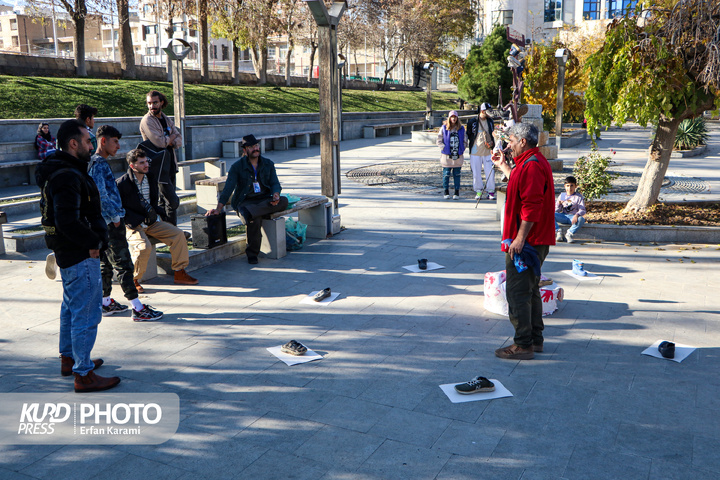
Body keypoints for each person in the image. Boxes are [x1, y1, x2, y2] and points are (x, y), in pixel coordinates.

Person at [35, 119, 121, 393]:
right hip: (79, 253)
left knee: (71, 307)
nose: (91, 145)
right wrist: (94, 242)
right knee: (86, 312)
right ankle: (83, 374)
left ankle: (70, 358)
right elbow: (67, 221)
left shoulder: (65, 170)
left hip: (71, 252)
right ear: (73, 144)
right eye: (87, 141)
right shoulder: (67, 175)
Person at [491, 123, 555, 360]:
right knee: (530, 289)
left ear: (522, 142)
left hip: (528, 242)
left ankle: (523, 344)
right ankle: (535, 340)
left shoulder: (532, 165)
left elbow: (531, 206)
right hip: (531, 240)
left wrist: (519, 239)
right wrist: (504, 166)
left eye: (511, 141)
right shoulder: (530, 163)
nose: (508, 145)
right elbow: (519, 183)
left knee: (517, 292)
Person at [89, 125, 164, 321]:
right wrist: (115, 219)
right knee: (123, 264)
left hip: (103, 222)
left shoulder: (98, 162)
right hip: (109, 222)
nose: (118, 146)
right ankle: (137, 308)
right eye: (115, 141)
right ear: (103, 141)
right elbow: (101, 195)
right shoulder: (98, 163)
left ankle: (105, 302)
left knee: (105, 264)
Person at [116, 149, 198, 287]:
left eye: (146, 161)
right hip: (132, 224)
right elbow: (119, 208)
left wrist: (161, 213)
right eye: (141, 163)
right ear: (132, 166)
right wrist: (133, 222)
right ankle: (133, 280)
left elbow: (154, 202)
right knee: (143, 247)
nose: (146, 165)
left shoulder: (150, 178)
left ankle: (179, 272)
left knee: (178, 235)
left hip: (151, 222)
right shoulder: (121, 183)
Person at [206, 134, 289, 265]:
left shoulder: (268, 164)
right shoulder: (237, 167)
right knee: (254, 220)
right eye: (251, 147)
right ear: (244, 150)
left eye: (256, 145)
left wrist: (276, 195)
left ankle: (249, 212)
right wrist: (218, 209)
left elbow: (275, 183)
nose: (255, 149)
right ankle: (252, 253)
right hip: (246, 201)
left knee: (284, 201)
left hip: (264, 200)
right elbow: (228, 188)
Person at [140, 90, 182, 225]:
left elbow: (179, 140)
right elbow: (160, 142)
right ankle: (172, 232)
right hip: (158, 169)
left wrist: (170, 139)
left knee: (166, 202)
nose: (152, 106)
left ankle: (168, 232)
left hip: (170, 164)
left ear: (161, 102)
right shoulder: (147, 121)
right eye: (149, 103)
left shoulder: (165, 118)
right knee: (172, 201)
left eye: (155, 103)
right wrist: (171, 138)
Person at [467, 103, 496, 200]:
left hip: (488, 150)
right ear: (482, 111)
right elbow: (469, 134)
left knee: (490, 172)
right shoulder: (473, 121)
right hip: (475, 150)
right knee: (476, 173)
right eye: (486, 111)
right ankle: (478, 191)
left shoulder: (490, 121)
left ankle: (491, 191)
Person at [436, 110, 468, 200]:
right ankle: (446, 191)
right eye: (452, 117)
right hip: (447, 156)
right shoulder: (444, 128)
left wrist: (462, 148)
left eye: (455, 117)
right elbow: (439, 139)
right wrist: (443, 148)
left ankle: (456, 192)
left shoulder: (461, 129)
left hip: (457, 155)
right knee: (446, 174)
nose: (453, 119)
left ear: (457, 118)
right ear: (449, 118)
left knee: (457, 174)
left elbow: (465, 140)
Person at [555, 175, 587, 244]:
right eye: (568, 186)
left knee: (581, 219)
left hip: (572, 217)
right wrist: (559, 204)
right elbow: (557, 210)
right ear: (565, 186)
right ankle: (558, 232)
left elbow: (582, 209)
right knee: (550, 215)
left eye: (572, 185)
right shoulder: (562, 195)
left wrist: (576, 215)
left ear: (575, 186)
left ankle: (569, 234)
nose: (569, 188)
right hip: (564, 216)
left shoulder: (578, 197)